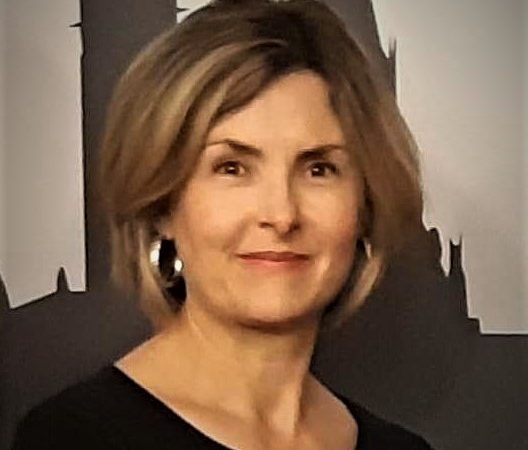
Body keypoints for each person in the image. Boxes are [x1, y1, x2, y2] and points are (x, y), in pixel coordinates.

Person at [12, 0, 433, 448]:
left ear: (365, 204)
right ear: (162, 205)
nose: (282, 215)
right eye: (232, 168)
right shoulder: (73, 438)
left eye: (319, 169)